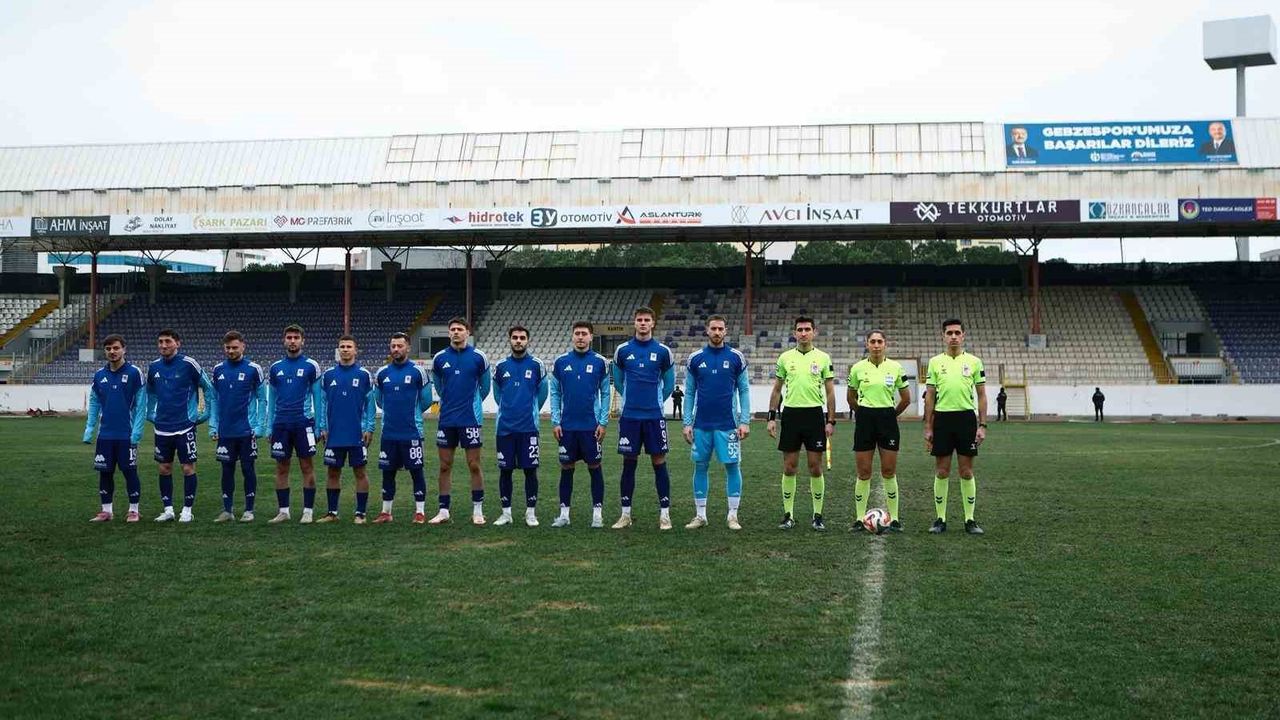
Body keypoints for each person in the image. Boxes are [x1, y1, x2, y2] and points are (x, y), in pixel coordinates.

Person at [767, 316, 837, 531]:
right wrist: (771, 417)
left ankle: (817, 515)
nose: (804, 333)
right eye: (800, 329)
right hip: (791, 416)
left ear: (814, 332)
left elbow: (830, 391)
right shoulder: (785, 358)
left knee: (815, 467)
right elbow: (777, 389)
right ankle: (788, 515)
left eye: (807, 329)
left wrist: (831, 420)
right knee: (789, 467)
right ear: (794, 332)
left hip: (814, 415)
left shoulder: (823, 358)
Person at [681, 315, 750, 530]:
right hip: (701, 425)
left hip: (728, 424)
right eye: (714, 328)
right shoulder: (695, 358)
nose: (717, 332)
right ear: (707, 330)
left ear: (726, 331)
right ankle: (700, 515)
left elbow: (744, 390)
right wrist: (687, 422)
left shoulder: (736, 357)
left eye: (721, 328)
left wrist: (744, 421)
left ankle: (733, 515)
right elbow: (690, 392)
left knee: (732, 466)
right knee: (700, 466)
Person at [611, 306, 676, 530]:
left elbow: (668, 384)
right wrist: (631, 399)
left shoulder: (663, 351)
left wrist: (655, 401)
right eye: (639, 319)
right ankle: (625, 514)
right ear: (634, 322)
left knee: (659, 462)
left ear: (653, 323)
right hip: (629, 416)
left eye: (647, 319)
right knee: (629, 463)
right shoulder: (622, 350)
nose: (642, 323)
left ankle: (665, 515)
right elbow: (618, 382)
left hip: (654, 416)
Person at [923, 319, 987, 535]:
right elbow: (930, 396)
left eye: (957, 333)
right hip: (942, 419)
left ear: (963, 335)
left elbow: (981, 395)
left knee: (966, 471)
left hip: (966, 420)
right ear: (943, 336)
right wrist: (928, 427)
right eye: (949, 333)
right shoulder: (934, 362)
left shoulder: (975, 362)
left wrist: (983, 425)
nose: (953, 336)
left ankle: (970, 520)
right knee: (941, 471)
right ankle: (940, 519)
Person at [147, 328, 213, 523]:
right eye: (160, 342)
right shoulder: (153, 367)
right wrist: (150, 413)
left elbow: (208, 388)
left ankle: (187, 509)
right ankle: (168, 510)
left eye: (168, 341)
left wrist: (205, 413)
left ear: (177, 343)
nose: (164, 345)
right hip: (162, 427)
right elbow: (149, 393)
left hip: (185, 426)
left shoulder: (188, 364)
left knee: (187, 468)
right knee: (164, 468)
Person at [847, 330, 911, 533]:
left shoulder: (896, 368)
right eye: (872, 341)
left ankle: (895, 520)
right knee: (864, 472)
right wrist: (863, 413)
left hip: (887, 421)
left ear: (885, 344)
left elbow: (906, 398)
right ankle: (859, 519)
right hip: (865, 420)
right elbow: (851, 397)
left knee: (889, 471)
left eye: (879, 341)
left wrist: (891, 415)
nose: (876, 345)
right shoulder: (857, 368)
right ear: (867, 344)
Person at [549, 321, 611, 528]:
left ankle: (597, 514)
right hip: (567, 427)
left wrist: (602, 422)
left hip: (590, 427)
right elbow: (555, 393)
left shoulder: (600, 362)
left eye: (584, 334)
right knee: (566, 467)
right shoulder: (561, 362)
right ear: (572, 336)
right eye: (577, 333)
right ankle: (564, 514)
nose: (580, 337)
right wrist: (556, 421)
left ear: (591, 337)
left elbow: (606, 393)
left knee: (595, 467)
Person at [431, 318, 490, 525]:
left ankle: (477, 510)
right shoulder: (439, 359)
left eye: (460, 329)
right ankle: (444, 510)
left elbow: (485, 388)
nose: (456, 332)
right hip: (447, 419)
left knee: (474, 465)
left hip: (470, 419)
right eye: (453, 330)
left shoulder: (478, 357)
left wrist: (471, 404)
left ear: (467, 332)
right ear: (449, 333)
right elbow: (439, 387)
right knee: (445, 466)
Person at [82, 334, 147, 523]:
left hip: (126, 434)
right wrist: (89, 429)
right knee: (105, 472)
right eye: (109, 348)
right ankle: (106, 511)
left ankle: (134, 510)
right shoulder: (99, 376)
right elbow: (94, 403)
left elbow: (141, 404)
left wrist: (137, 431)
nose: (112, 351)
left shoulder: (135, 372)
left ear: (124, 349)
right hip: (105, 435)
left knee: (129, 471)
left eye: (116, 348)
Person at [372, 332, 433, 524]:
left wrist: (411, 414)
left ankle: (420, 512)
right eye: (393, 346)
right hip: (389, 432)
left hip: (412, 432)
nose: (396, 349)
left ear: (408, 347)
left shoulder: (418, 372)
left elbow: (426, 401)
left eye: (400, 346)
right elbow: (379, 400)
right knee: (387, 472)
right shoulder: (382, 373)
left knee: (417, 471)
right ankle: (386, 512)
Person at [492, 325, 549, 527]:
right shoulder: (500, 366)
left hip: (528, 428)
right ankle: (506, 513)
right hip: (505, 428)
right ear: (510, 340)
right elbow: (498, 394)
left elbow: (542, 394)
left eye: (522, 337)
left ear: (528, 340)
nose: (518, 340)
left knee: (530, 471)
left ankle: (530, 513)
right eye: (515, 337)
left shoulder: (537, 365)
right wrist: (508, 409)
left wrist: (530, 410)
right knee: (505, 471)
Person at [208, 330, 268, 523]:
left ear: (243, 346)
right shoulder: (218, 369)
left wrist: (259, 426)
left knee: (248, 468)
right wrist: (213, 425)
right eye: (228, 348)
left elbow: (262, 398)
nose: (231, 351)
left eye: (235, 347)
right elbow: (215, 400)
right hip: (225, 430)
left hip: (246, 430)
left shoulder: (253, 368)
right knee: (226, 470)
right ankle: (228, 510)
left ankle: (249, 510)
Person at [266, 324, 323, 524]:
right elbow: (271, 399)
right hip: (281, 424)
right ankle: (284, 511)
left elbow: (318, 397)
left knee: (307, 466)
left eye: (296, 337)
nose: (292, 341)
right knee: (281, 468)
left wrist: (319, 426)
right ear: (284, 340)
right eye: (289, 337)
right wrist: (269, 426)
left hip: (303, 423)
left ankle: (308, 511)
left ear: (302, 341)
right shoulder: (275, 368)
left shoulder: (311, 366)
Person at [316, 335, 376, 523]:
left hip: (356, 433)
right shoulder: (328, 375)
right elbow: (322, 403)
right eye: (342, 346)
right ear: (338, 350)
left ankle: (360, 513)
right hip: (334, 433)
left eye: (349, 346)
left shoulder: (364, 375)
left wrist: (369, 427)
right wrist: (323, 427)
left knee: (360, 472)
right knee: (333, 472)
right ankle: (332, 513)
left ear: (355, 350)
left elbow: (370, 404)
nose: (345, 349)